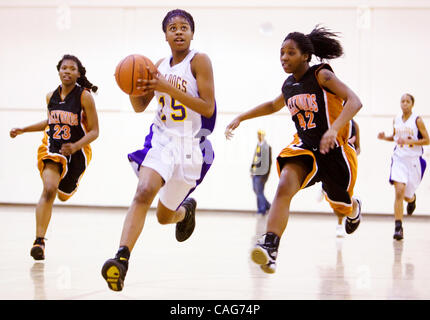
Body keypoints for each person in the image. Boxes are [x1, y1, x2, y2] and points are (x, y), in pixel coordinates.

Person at [225, 26, 362, 274]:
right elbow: (272, 105)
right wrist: (241, 117)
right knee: (284, 184)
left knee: (340, 202)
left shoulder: (322, 76)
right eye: (281, 53)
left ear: (305, 56)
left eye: (290, 53)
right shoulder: (289, 86)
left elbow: (355, 101)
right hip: (306, 147)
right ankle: (270, 247)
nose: (284, 58)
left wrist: (334, 129)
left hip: (335, 151)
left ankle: (354, 208)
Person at [101, 9, 216, 291]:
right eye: (173, 27)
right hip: (163, 139)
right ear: (165, 34)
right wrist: (130, 83)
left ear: (192, 33)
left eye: (184, 27)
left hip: (190, 145)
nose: (179, 31)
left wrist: (167, 86)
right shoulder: (158, 65)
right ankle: (121, 259)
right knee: (143, 191)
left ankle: (184, 211)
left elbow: (207, 107)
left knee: (165, 217)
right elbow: (140, 107)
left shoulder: (199, 61)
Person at [9, 54, 99, 260]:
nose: (67, 71)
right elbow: (49, 122)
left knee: (63, 194)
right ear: (59, 71)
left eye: (72, 68)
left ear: (78, 73)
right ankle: (39, 241)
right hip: (52, 147)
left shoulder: (85, 96)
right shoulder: (51, 96)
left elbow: (94, 131)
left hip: (76, 151)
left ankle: (64, 188)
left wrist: (76, 146)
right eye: (64, 68)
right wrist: (24, 129)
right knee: (49, 189)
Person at [377, 93, 428, 240]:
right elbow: (395, 137)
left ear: (412, 104)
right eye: (402, 101)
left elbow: (427, 140)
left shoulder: (417, 120)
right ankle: (398, 228)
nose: (404, 103)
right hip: (399, 159)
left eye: (407, 101)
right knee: (399, 191)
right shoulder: (396, 119)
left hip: (413, 161)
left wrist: (409, 142)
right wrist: (384, 137)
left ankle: (412, 200)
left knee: (407, 196)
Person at [335, 118, 361, 237]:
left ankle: (340, 224)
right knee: (335, 196)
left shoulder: (354, 125)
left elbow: (358, 148)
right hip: (332, 159)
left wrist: (350, 148)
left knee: (342, 196)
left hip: (347, 161)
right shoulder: (331, 120)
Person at [250, 129, 272, 216]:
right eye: (258, 135)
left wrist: (265, 175)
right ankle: (268, 206)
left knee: (259, 191)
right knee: (257, 190)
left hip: (261, 174)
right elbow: (255, 158)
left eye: (260, 135)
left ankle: (261, 210)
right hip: (255, 173)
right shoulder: (258, 146)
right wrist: (252, 170)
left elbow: (269, 162)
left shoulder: (266, 147)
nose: (258, 136)